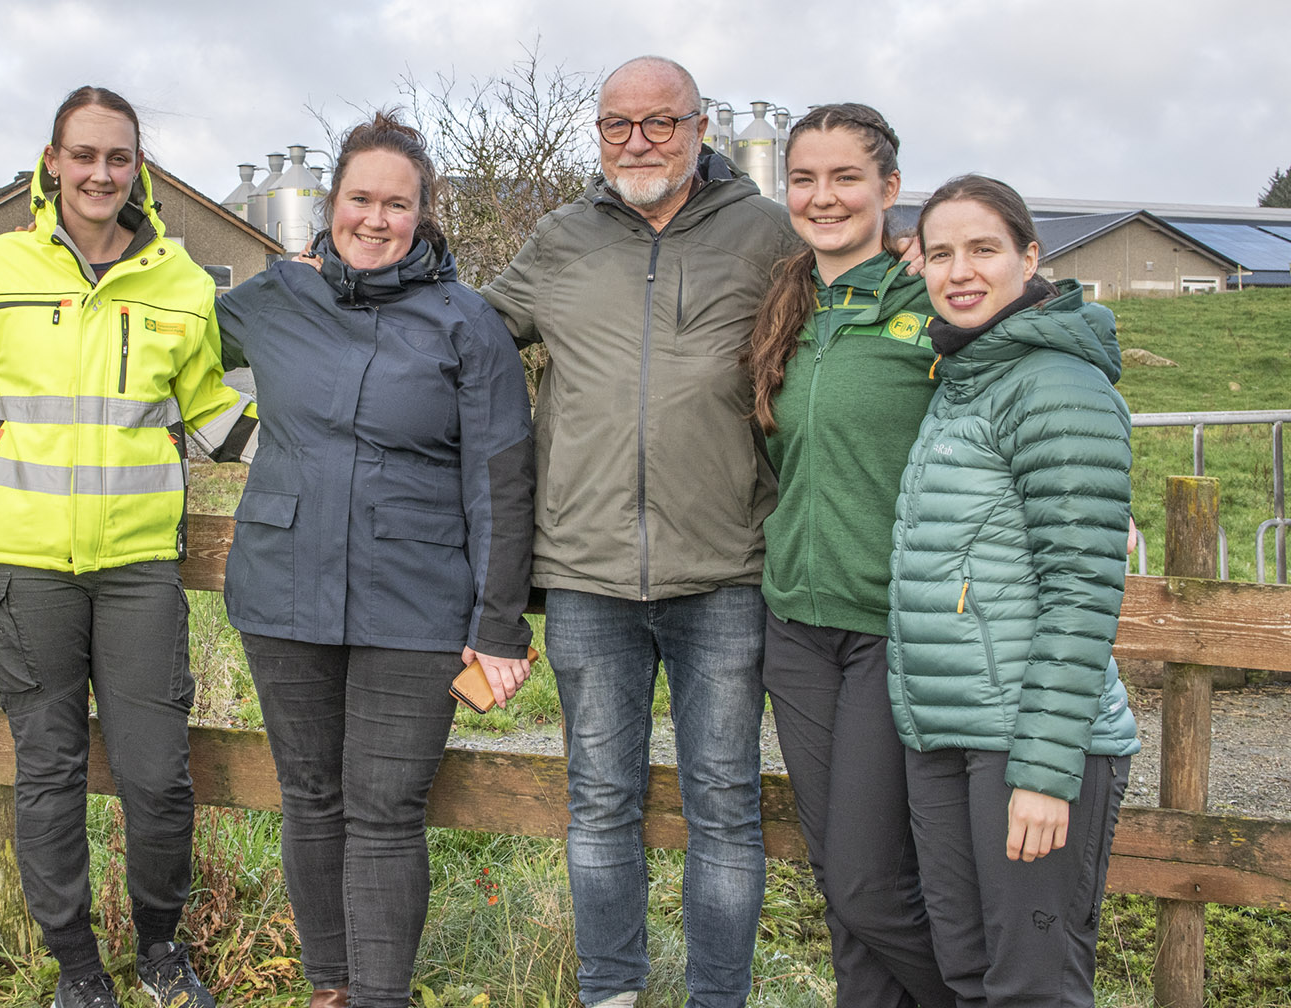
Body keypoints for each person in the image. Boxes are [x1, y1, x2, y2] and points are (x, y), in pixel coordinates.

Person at [479, 56, 796, 1008]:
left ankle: (716, 999)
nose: (640, 142)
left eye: (661, 123)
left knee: (727, 809)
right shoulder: (561, 237)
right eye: (620, 125)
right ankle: (610, 993)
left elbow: (845, 327)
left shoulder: (766, 236)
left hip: (724, 572)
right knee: (601, 805)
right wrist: (344, 293)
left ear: (700, 127)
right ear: (599, 133)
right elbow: (471, 328)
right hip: (586, 572)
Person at [215, 112, 535, 1008]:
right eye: (361, 198)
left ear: (424, 212)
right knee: (310, 798)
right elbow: (165, 339)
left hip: (415, 601)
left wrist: (498, 623)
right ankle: (330, 988)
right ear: (332, 203)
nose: (376, 218)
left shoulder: (466, 323)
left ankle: (381, 996)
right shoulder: (270, 300)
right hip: (283, 591)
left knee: (386, 812)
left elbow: (502, 479)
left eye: (398, 203)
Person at [0, 85, 257, 1008]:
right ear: (51, 161)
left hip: (135, 571)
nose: (99, 173)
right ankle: (77, 972)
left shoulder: (182, 282)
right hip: (20, 567)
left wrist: (330, 455)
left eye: (118, 158)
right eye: (82, 155)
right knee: (47, 772)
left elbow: (211, 414)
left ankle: (160, 953)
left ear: (139, 170)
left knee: (158, 776)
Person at [891, 174, 1138, 1007]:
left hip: (1027, 741)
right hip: (950, 730)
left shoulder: (1055, 386)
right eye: (941, 253)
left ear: (1031, 258)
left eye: (985, 249)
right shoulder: (966, 379)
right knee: (967, 974)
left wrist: (1041, 769)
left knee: (1033, 986)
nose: (961, 271)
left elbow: (1083, 587)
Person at [745, 104, 955, 1008]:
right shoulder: (788, 305)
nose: (822, 197)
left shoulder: (932, 297)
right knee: (840, 876)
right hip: (795, 623)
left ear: (889, 190)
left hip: (890, 625)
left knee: (872, 882)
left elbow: (1043, 335)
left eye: (844, 178)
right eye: (804, 179)